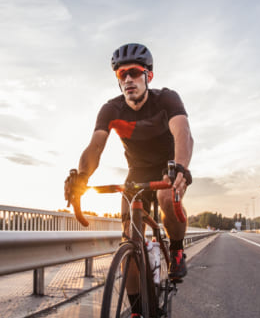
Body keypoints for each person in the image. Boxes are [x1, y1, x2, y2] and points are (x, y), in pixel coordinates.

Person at [64, 43, 194, 284]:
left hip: (170, 164)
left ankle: (176, 251)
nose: (128, 79)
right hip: (138, 171)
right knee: (129, 240)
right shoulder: (111, 109)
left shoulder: (167, 98)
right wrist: (82, 177)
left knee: (167, 198)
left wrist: (181, 167)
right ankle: (135, 316)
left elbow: (183, 133)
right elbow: (95, 147)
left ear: (148, 76)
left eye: (134, 72)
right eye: (122, 74)